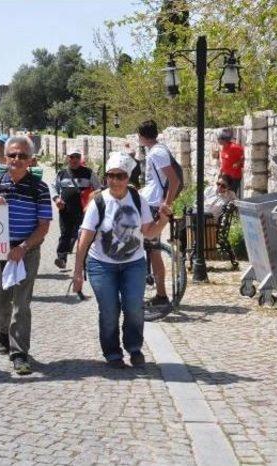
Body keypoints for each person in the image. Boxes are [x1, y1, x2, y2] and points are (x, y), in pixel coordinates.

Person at [73, 152, 172, 368]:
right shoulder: (98, 202)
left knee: (134, 307)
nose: (116, 180)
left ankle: (134, 348)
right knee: (109, 310)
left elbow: (148, 232)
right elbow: (85, 237)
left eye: (121, 176)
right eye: (111, 176)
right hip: (101, 265)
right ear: (106, 177)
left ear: (128, 177)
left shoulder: (138, 199)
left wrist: (163, 220)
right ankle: (112, 353)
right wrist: (78, 270)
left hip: (133, 264)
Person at [0, 135, 52, 375]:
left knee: (22, 303)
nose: (17, 159)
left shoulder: (39, 188)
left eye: (22, 155)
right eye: (12, 155)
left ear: (30, 159)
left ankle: (20, 352)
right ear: (6, 157)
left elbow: (43, 225)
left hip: (26, 250)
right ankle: (3, 330)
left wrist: (24, 246)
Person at [138, 120, 180, 307]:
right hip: (151, 201)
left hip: (155, 204)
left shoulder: (157, 152)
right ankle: (156, 290)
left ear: (142, 135)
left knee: (154, 250)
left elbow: (174, 180)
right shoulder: (156, 150)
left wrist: (166, 204)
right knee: (150, 248)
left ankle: (161, 295)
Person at [51, 150, 100, 270]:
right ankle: (61, 258)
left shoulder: (88, 173)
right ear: (68, 158)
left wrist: (92, 202)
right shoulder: (61, 173)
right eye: (72, 157)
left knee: (80, 235)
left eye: (77, 157)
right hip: (65, 210)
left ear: (80, 158)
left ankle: (84, 261)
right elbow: (53, 187)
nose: (74, 159)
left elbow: (98, 188)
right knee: (65, 234)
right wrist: (57, 199)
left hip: (84, 211)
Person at [213, 128, 244, 195]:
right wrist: (221, 172)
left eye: (219, 139)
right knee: (221, 193)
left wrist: (237, 163)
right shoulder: (224, 147)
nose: (218, 140)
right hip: (225, 175)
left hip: (234, 176)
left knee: (231, 194)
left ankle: (231, 205)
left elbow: (243, 157)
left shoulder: (234, 148)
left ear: (224, 140)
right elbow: (224, 160)